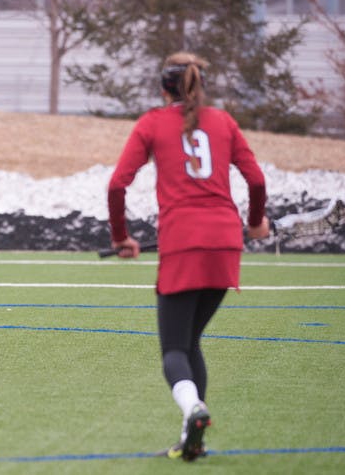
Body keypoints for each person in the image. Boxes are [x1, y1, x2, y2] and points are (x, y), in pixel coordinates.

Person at [106, 52, 270, 461]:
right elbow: (256, 179)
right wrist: (254, 222)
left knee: (174, 351)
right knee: (191, 341)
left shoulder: (152, 123)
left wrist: (121, 237)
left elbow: (116, 186)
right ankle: (192, 440)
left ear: (164, 89)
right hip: (225, 244)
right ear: (200, 85)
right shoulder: (224, 122)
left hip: (183, 243)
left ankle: (193, 409)